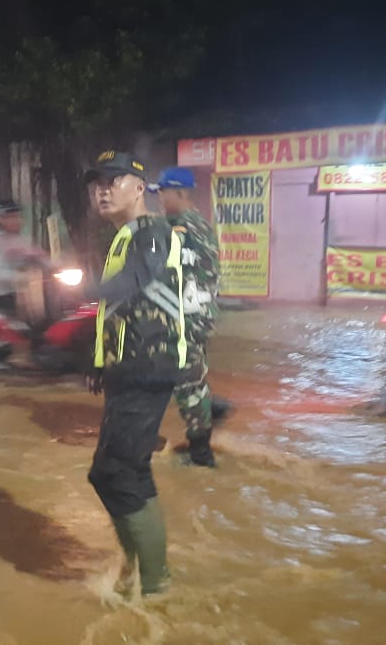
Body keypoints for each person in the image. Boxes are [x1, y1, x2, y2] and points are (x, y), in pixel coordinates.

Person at [84, 151, 186, 597]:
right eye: (96, 183)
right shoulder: (125, 235)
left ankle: (156, 584)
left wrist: (77, 293)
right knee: (123, 472)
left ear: (138, 188)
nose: (101, 190)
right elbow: (116, 310)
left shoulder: (151, 232)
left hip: (148, 365)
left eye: (112, 180)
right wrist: (98, 363)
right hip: (129, 367)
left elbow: (138, 280)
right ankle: (138, 573)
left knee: (115, 474)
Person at [149, 167, 222, 468]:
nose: (160, 200)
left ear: (179, 193)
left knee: (186, 386)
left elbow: (168, 276)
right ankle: (211, 412)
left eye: (163, 193)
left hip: (186, 319)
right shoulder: (192, 225)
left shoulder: (181, 230)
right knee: (188, 379)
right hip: (195, 316)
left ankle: (202, 457)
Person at [0, 202, 40, 314]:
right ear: (2, 220)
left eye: (19, 217)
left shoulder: (20, 241)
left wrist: (57, 265)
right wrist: (24, 276)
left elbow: (39, 256)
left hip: (24, 298)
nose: (18, 221)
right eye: (12, 217)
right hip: (2, 300)